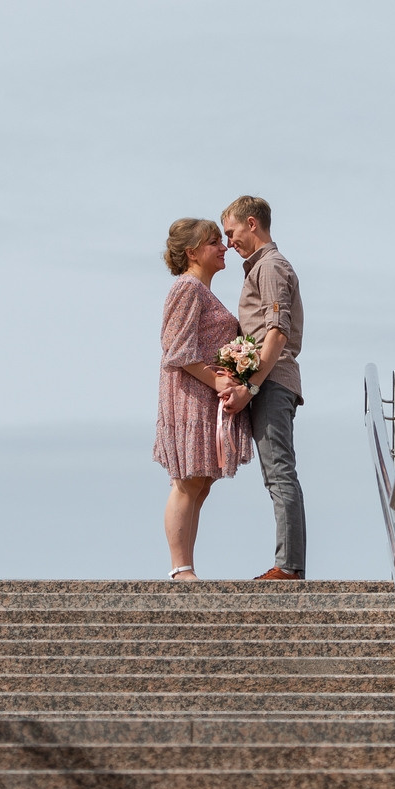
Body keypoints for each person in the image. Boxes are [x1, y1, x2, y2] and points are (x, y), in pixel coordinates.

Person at [154, 218, 251, 581]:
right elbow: (176, 349)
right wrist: (218, 379)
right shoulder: (187, 288)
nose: (223, 247)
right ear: (192, 253)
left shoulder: (202, 290)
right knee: (188, 480)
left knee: (201, 482)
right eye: (214, 242)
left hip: (205, 395)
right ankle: (181, 569)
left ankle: (186, 566)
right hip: (190, 395)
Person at [219, 195, 306, 581]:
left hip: (271, 382)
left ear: (251, 223)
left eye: (231, 232)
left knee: (279, 473)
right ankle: (290, 565)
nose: (228, 242)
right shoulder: (261, 268)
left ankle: (288, 567)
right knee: (277, 473)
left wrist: (250, 388)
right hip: (267, 381)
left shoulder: (270, 267)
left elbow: (277, 333)